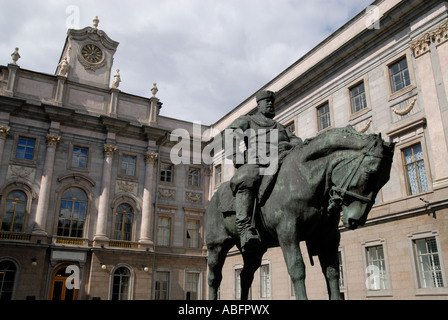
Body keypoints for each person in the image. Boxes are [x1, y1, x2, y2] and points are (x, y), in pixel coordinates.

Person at [227, 90, 302, 252]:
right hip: (258, 162)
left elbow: (297, 141)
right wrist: (238, 158)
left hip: (283, 160)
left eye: (272, 102)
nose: (270, 104)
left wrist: (289, 145)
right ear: (258, 105)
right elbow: (231, 133)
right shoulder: (249, 120)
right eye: (266, 101)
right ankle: (245, 228)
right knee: (247, 177)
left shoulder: (281, 127)